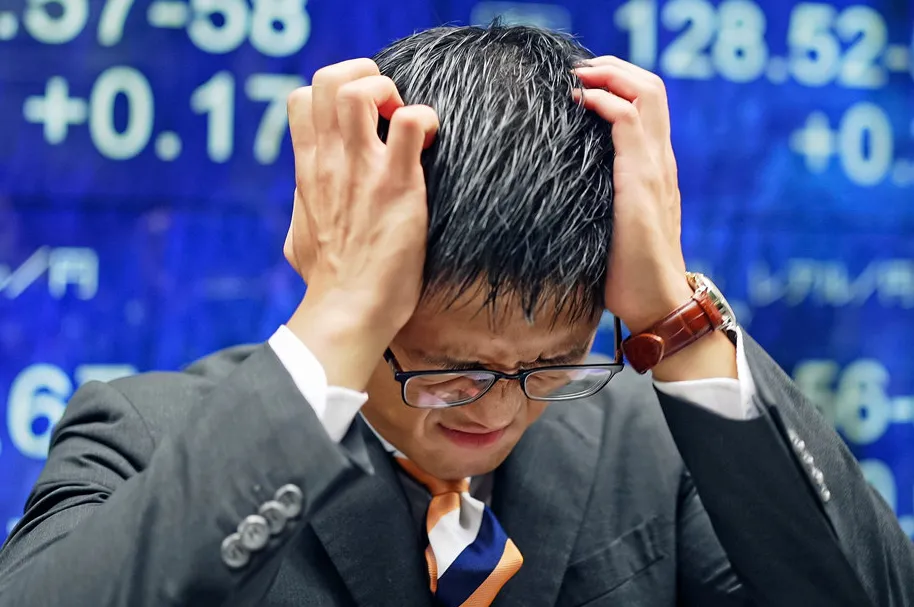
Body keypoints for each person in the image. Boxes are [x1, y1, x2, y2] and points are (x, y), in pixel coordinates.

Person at [0, 24, 911, 607]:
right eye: (450, 369)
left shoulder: (657, 447)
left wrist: (675, 316)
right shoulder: (146, 438)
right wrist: (336, 315)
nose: (499, 409)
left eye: (551, 365)